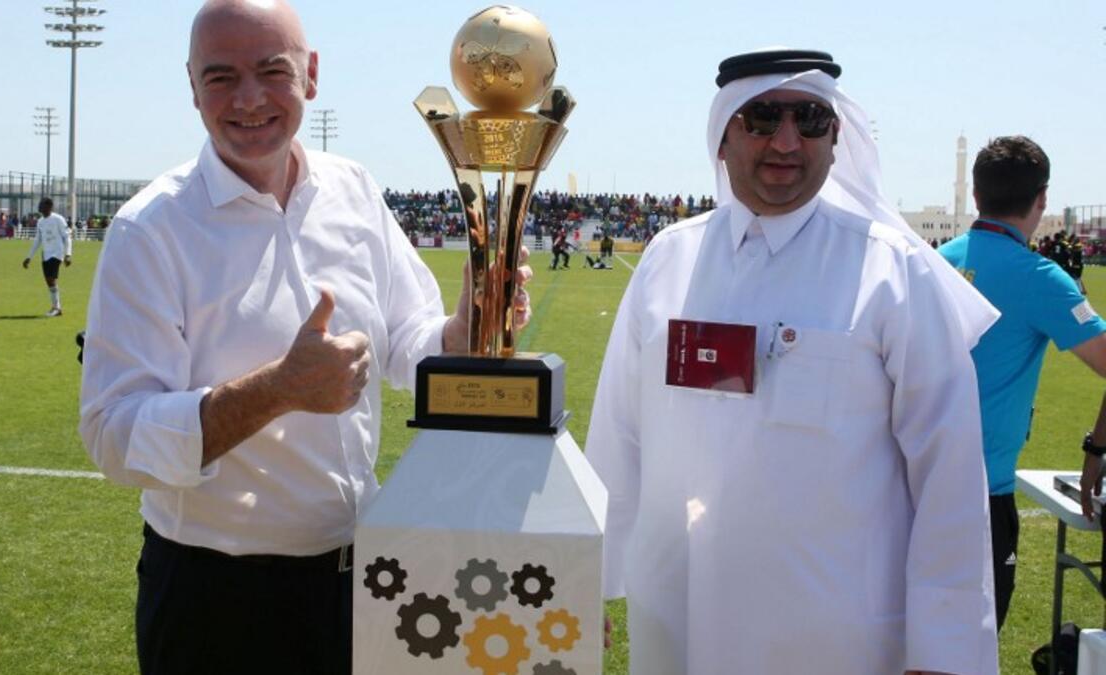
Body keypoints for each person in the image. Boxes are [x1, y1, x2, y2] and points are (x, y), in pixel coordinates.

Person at [78, 2, 530, 673]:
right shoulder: (151, 230)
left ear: (310, 75)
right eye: (221, 76)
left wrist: (462, 331)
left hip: (364, 579)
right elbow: (114, 436)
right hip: (218, 600)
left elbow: (409, 338)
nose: (250, 98)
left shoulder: (351, 188)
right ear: (192, 86)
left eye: (272, 70)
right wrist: (278, 391)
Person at [585, 49, 1000, 674]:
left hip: (835, 634)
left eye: (809, 119)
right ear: (723, 137)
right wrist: (588, 583)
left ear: (836, 138)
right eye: (760, 119)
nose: (786, 141)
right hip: (677, 617)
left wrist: (943, 649)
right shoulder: (667, 261)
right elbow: (620, 435)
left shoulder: (893, 270)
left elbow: (950, 472)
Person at [938, 136, 1106, 630]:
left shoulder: (931, 260)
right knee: (966, 649)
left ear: (975, 194)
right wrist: (1097, 450)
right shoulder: (1040, 277)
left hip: (902, 485)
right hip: (979, 499)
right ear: (1042, 198)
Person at [22, 196, 71, 317]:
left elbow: (67, 237)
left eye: (41, 204)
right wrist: (29, 257)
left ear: (49, 207)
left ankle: (56, 308)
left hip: (57, 253)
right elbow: (37, 240)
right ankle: (56, 307)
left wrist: (68, 254)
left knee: (51, 279)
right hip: (46, 254)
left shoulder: (58, 219)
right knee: (49, 282)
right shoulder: (40, 222)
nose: (39, 206)